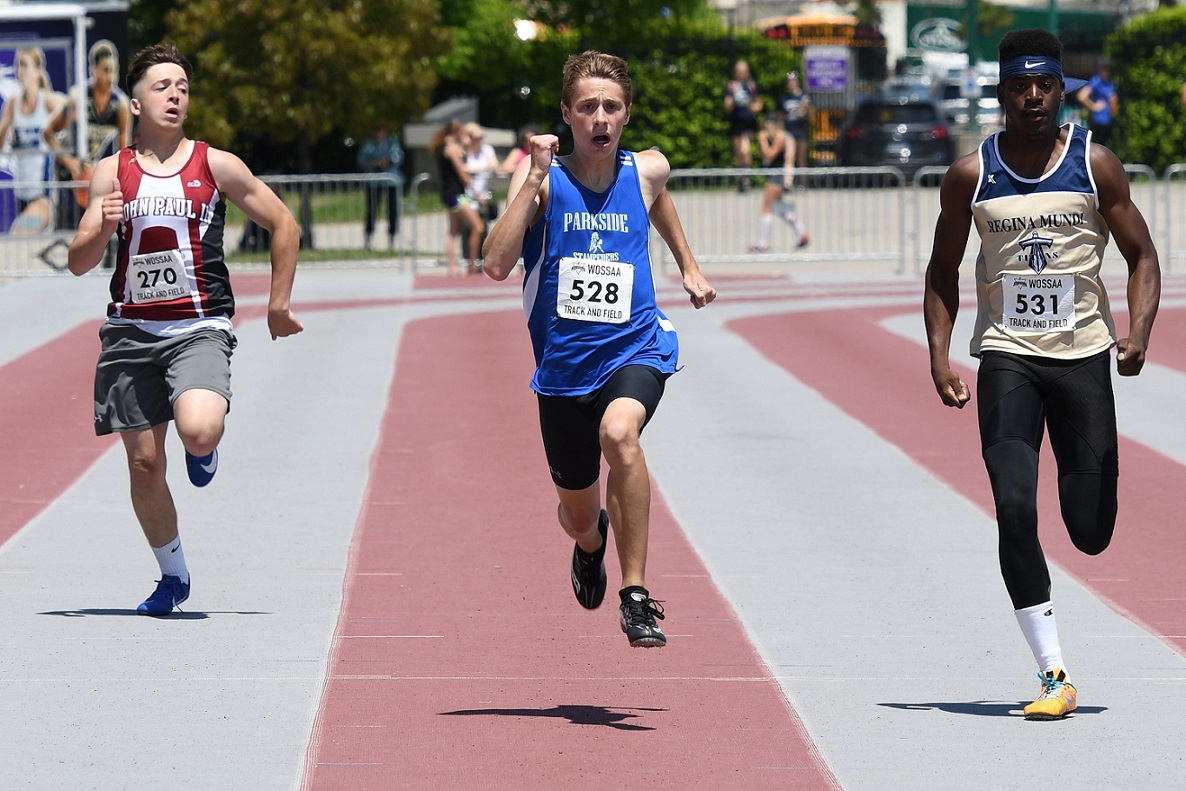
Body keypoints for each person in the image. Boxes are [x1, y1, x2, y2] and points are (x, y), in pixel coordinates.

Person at [923, 29, 1160, 720]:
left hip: (1084, 356)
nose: (1032, 96)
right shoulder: (971, 175)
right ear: (1001, 93)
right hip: (1007, 358)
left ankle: (1088, 484)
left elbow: (1143, 256)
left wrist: (1137, 332)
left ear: (1061, 90)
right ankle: (1054, 670)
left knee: (1089, 528)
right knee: (1014, 509)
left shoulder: (1097, 165)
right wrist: (940, 353)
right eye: (1019, 86)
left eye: (1045, 85)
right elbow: (941, 272)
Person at [482, 50, 717, 648]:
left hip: (636, 348)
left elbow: (657, 197)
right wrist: (533, 179)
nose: (600, 118)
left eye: (611, 107)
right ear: (566, 114)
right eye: (587, 107)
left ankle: (636, 595)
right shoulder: (542, 180)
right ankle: (592, 546)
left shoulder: (647, 169)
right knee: (578, 516)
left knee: (621, 435)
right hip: (562, 373)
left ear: (627, 114)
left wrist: (688, 266)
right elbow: (495, 263)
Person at [65, 43, 304, 616]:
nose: (175, 95)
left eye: (183, 87)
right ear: (137, 101)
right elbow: (77, 260)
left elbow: (283, 223)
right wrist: (103, 228)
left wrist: (277, 302)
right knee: (145, 464)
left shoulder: (215, 165)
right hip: (130, 333)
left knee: (197, 431)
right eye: (162, 86)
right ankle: (173, 575)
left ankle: (206, 446)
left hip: (198, 326)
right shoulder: (111, 172)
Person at [0, 46, 64, 233]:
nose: (20, 71)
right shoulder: (13, 102)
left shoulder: (48, 100)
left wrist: (55, 137)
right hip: (21, 198)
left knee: (18, 234)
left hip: (43, 200)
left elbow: (72, 108)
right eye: (18, 65)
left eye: (25, 65)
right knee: (25, 253)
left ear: (38, 71)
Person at [430, 119, 485, 276]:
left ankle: (452, 267)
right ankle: (472, 265)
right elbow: (462, 173)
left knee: (453, 231)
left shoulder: (444, 147)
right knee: (478, 227)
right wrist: (476, 193)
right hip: (456, 194)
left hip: (449, 193)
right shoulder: (452, 149)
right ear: (456, 132)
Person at [748, 112, 808, 253]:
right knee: (780, 208)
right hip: (773, 176)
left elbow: (770, 154)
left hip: (777, 177)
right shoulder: (775, 136)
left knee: (766, 208)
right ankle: (802, 233)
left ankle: (763, 243)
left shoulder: (781, 136)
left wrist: (762, 140)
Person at [356, 121, 404, 251]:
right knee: (372, 210)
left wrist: (386, 161)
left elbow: (398, 158)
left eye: (382, 130)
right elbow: (361, 160)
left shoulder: (392, 143)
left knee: (392, 210)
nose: (380, 133)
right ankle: (368, 238)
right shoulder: (369, 144)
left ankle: (392, 238)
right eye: (377, 130)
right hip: (373, 181)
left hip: (390, 181)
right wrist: (375, 163)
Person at [723, 60, 761, 192]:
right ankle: (741, 178)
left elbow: (758, 105)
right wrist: (734, 96)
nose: (742, 73)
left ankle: (746, 179)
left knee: (745, 150)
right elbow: (727, 106)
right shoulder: (731, 87)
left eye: (744, 71)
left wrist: (753, 107)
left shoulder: (752, 86)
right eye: (739, 71)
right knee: (739, 153)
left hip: (748, 123)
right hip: (735, 123)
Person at [1076, 57, 1117, 148]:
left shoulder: (1110, 82)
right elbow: (1081, 96)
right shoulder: (1097, 80)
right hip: (1098, 122)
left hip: (1108, 120)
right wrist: (1094, 106)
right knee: (1098, 146)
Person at [464, 121, 500, 224]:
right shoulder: (465, 152)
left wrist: (474, 171)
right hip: (468, 195)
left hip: (484, 193)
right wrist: (484, 169)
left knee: (483, 226)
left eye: (482, 137)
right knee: (471, 228)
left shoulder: (487, 149)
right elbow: (463, 170)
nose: (481, 140)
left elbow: (494, 166)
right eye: (477, 138)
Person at [778, 70, 811, 178]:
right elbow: (780, 116)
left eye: (793, 81)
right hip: (789, 130)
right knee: (789, 156)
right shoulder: (784, 99)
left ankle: (802, 182)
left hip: (801, 130)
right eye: (789, 82)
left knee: (801, 158)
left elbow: (811, 115)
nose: (791, 84)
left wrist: (807, 107)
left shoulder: (805, 98)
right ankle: (788, 182)